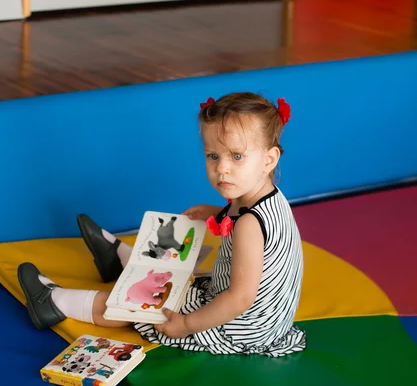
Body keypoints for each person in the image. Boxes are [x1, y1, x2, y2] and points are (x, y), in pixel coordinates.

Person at [17, 92, 306, 357]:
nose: (221, 168)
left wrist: (187, 324)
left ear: (269, 159)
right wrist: (217, 213)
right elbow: (246, 227)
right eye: (213, 156)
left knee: (143, 304)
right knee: (175, 278)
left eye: (237, 156)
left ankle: (54, 302)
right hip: (264, 320)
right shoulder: (264, 197)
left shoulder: (249, 225)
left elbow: (240, 298)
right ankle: (120, 259)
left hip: (239, 330)